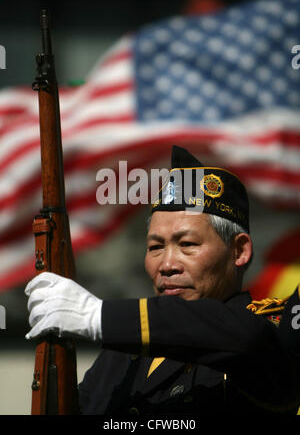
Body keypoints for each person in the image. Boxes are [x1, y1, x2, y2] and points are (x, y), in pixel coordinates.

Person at [25, 146, 300, 417]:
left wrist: (97, 316)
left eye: (187, 244)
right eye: (155, 247)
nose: (167, 265)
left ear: (239, 251)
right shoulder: (121, 356)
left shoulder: (268, 331)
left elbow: (239, 338)